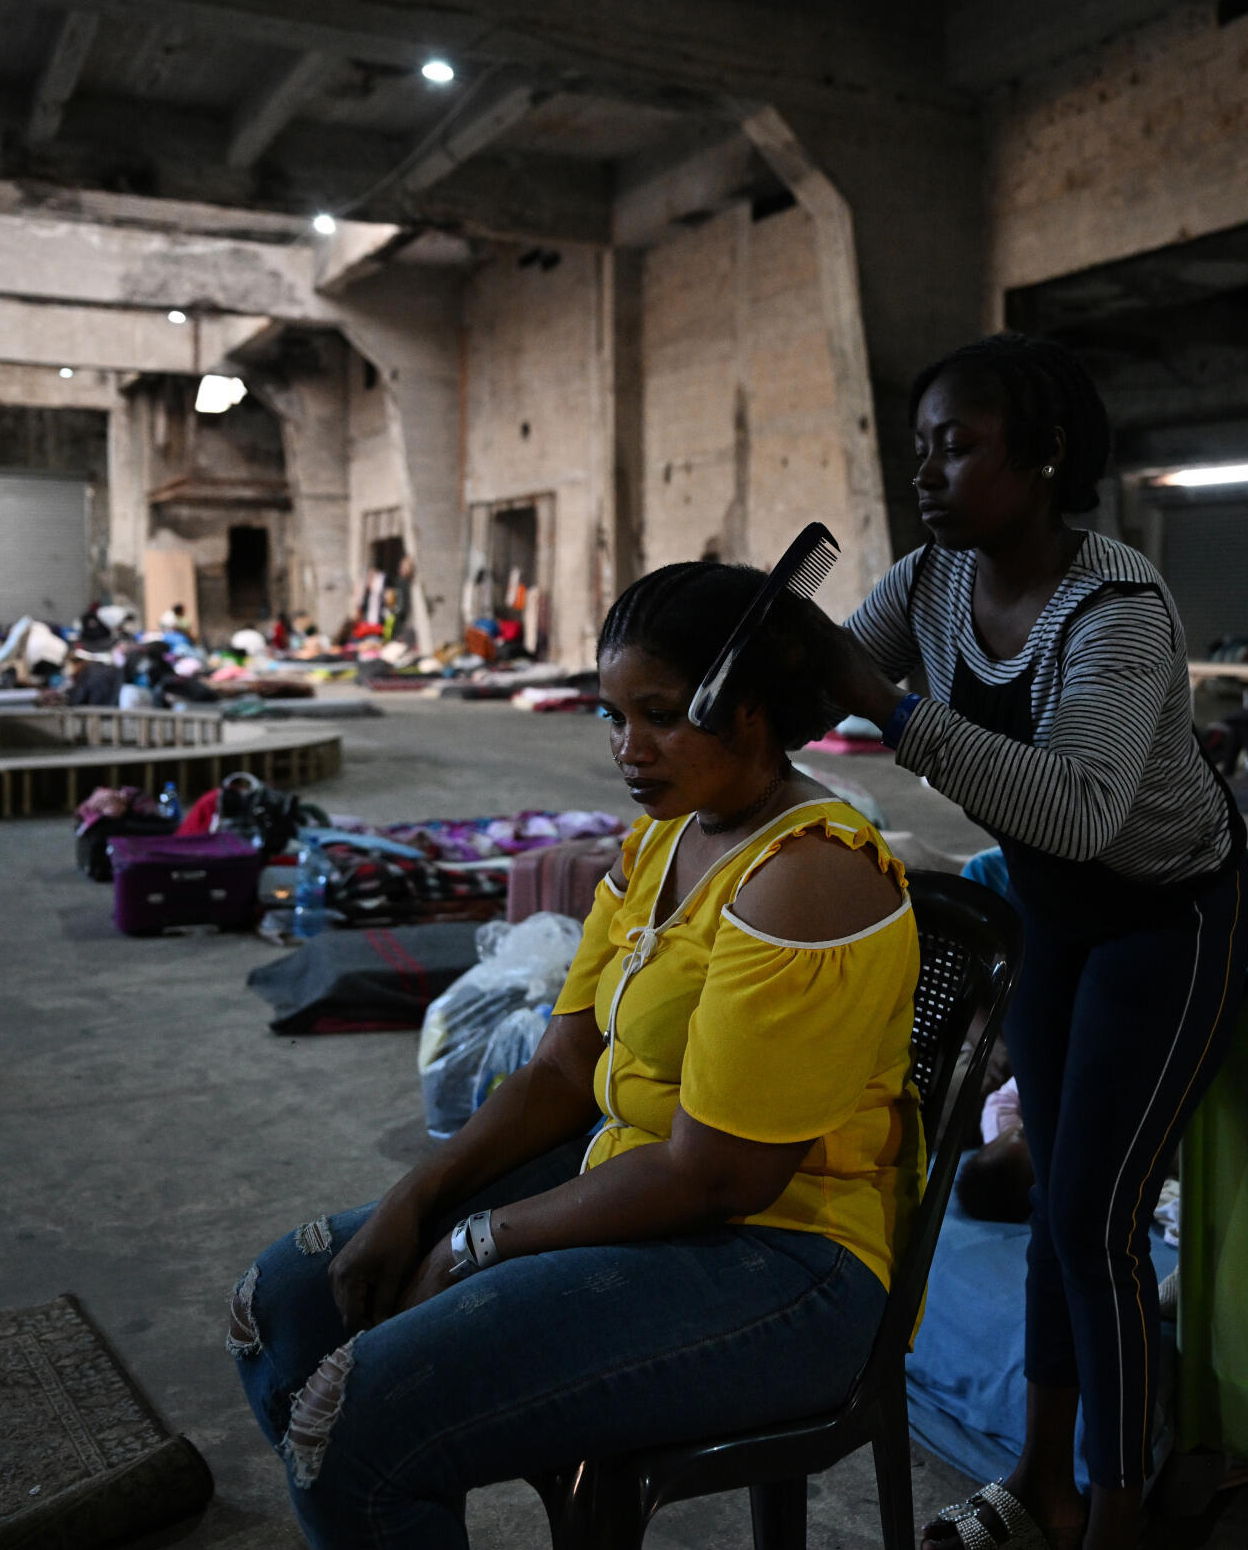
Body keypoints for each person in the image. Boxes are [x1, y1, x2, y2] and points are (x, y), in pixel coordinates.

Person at [230, 561, 923, 1550]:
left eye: (661, 715)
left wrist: (479, 1242)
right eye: (612, 717)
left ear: (754, 711)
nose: (626, 749)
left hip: (781, 1260)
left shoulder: (804, 878)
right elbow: (563, 1069)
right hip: (645, 1180)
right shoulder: (657, 844)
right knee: (289, 1302)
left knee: (356, 1428)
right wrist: (415, 1198)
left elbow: (718, 1173)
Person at [820, 332, 1248, 1550]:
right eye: (919, 451)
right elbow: (830, 680)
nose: (927, 474)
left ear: (1045, 456)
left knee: (1093, 1221)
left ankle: (1112, 1509)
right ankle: (1040, 1480)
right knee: (1056, 1204)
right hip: (1058, 916)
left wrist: (892, 711)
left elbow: (1076, 808)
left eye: (956, 448)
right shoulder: (932, 581)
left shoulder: (1114, 608)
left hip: (1166, 914)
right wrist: (739, 656)